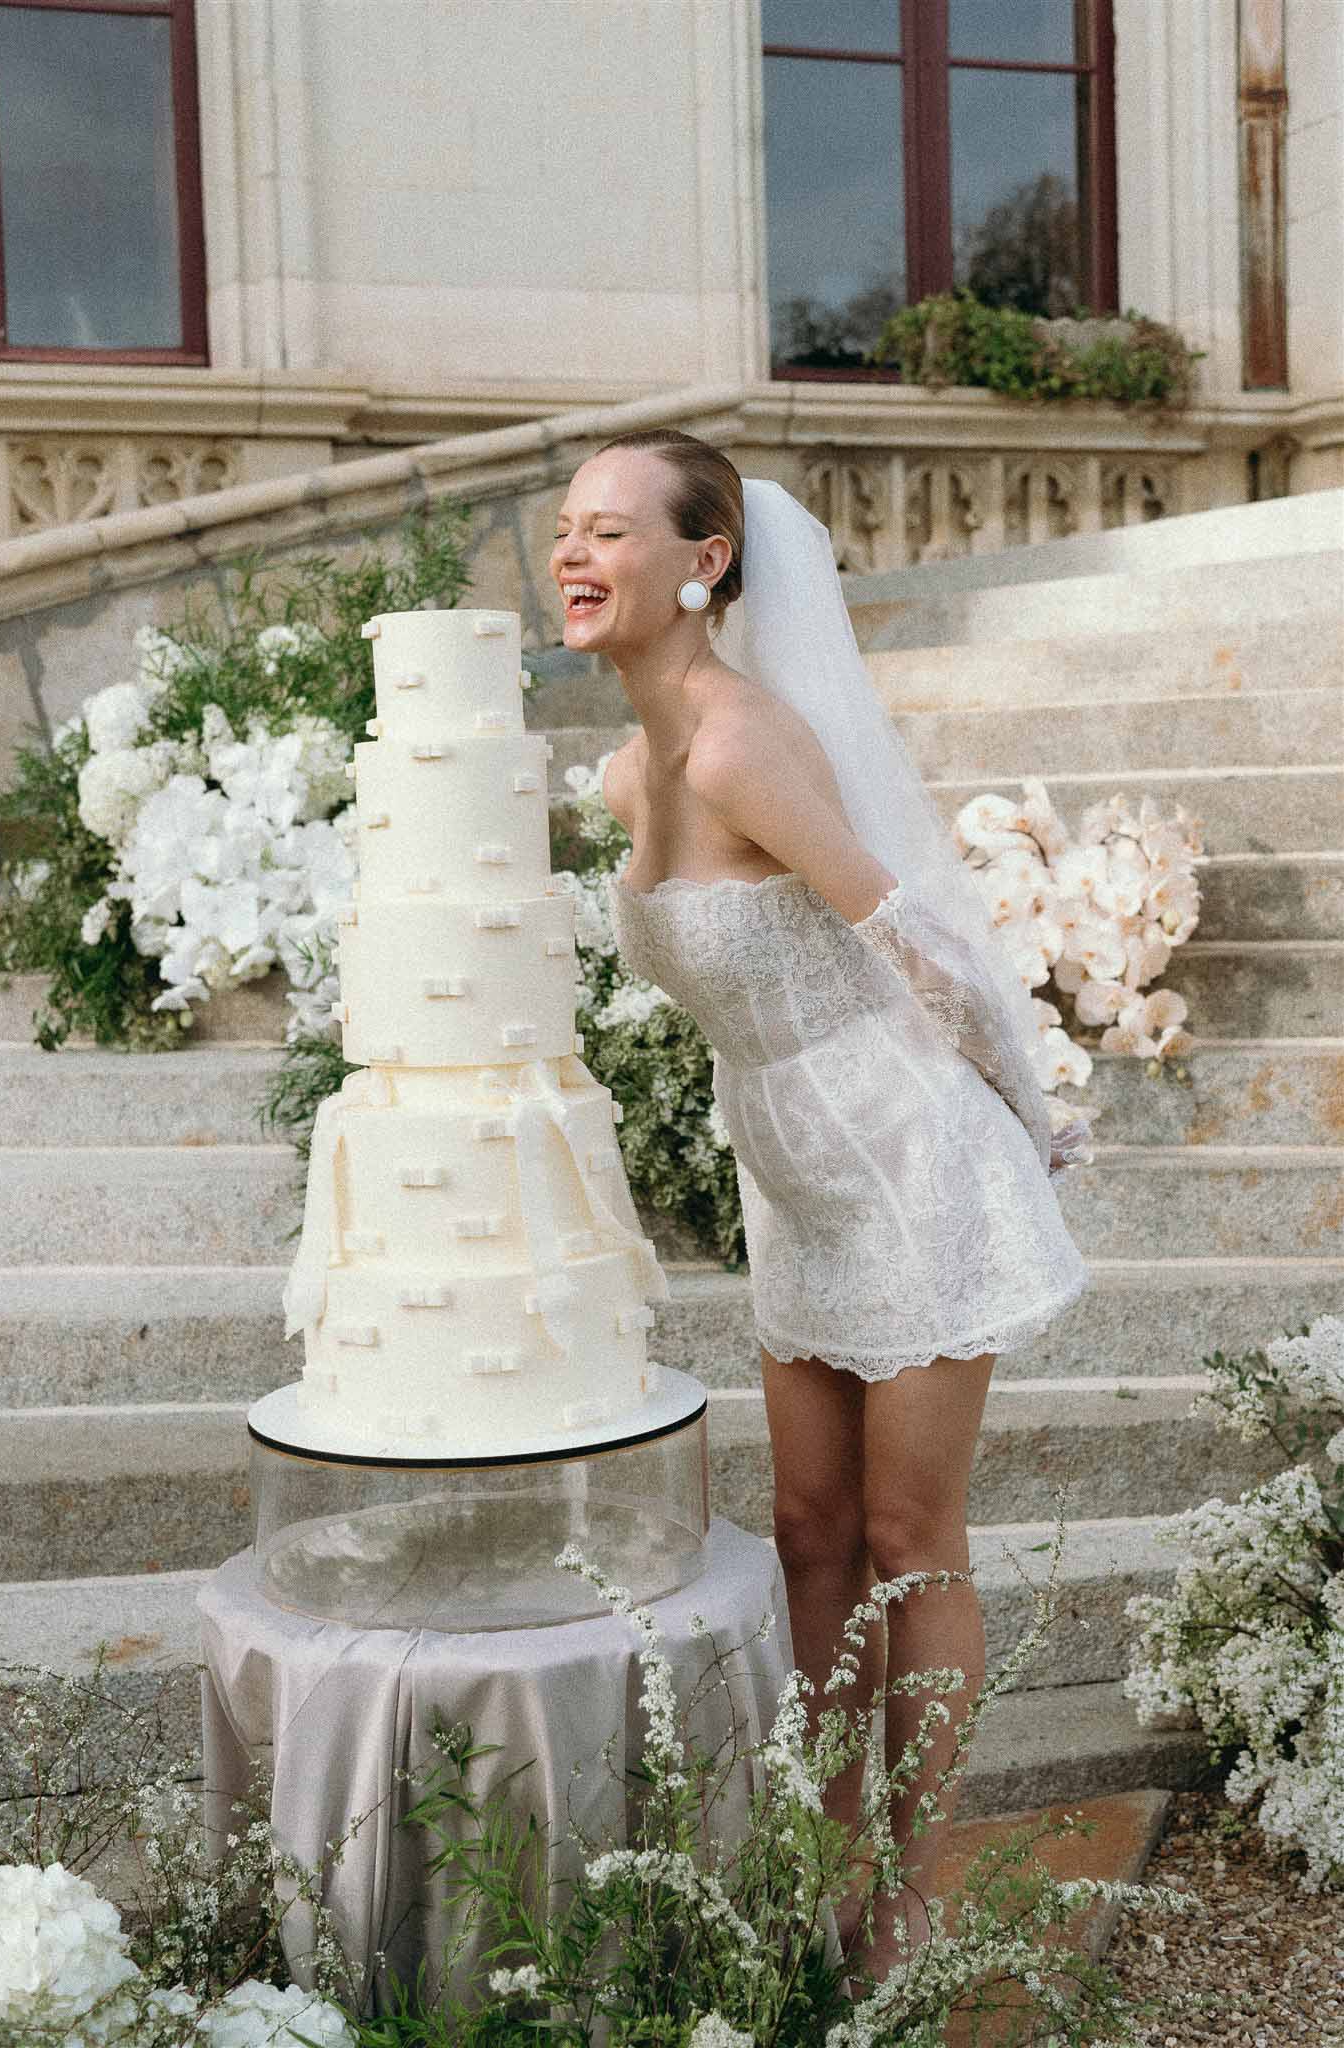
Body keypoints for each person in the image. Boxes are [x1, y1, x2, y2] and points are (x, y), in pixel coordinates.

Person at [549, 428, 1091, 1991]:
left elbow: (910, 928)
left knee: (914, 1542)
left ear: (704, 560)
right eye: (565, 532)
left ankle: (908, 1899)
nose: (575, 556)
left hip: (907, 1161)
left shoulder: (735, 743)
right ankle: (807, 1859)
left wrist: (1025, 1115)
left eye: (610, 531)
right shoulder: (624, 765)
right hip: (793, 1181)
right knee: (805, 1534)